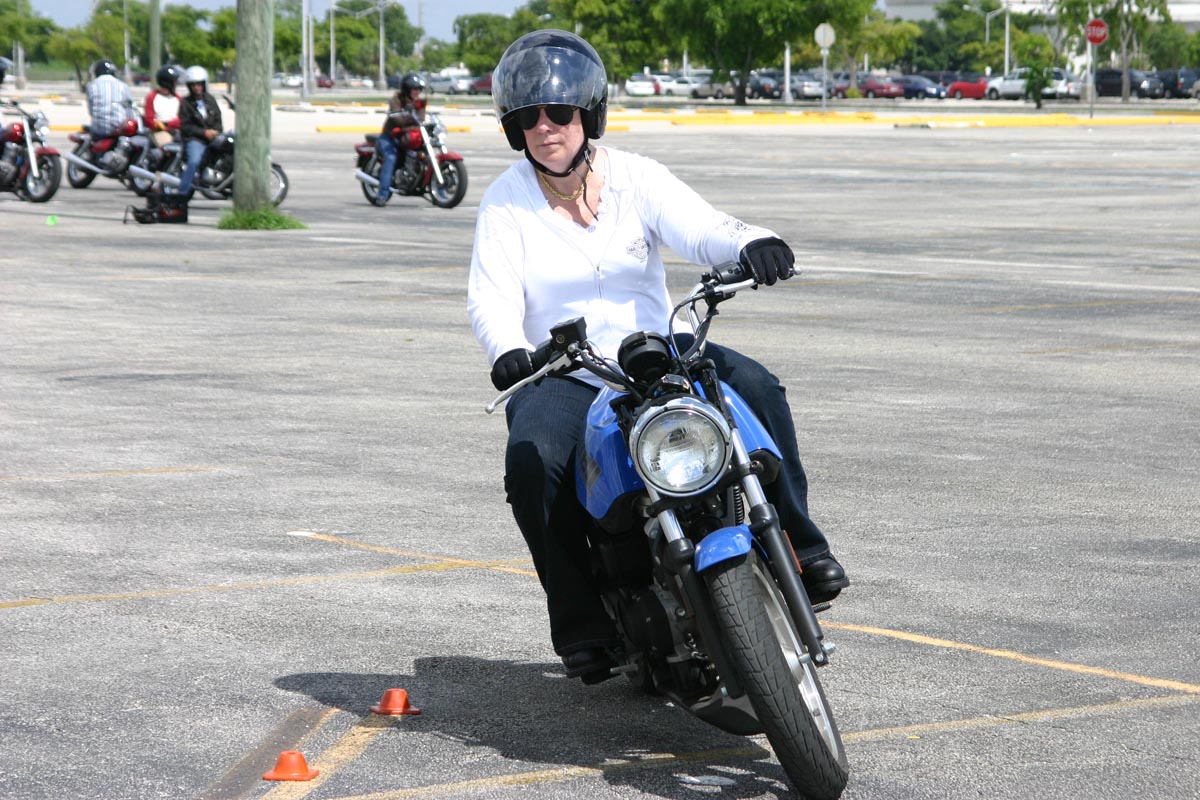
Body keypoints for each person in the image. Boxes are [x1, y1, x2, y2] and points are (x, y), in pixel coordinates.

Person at [467, 30, 849, 682]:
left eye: (558, 112)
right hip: (565, 370)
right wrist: (508, 350)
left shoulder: (635, 177)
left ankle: (802, 547)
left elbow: (702, 227)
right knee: (532, 459)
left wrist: (751, 243)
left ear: (588, 114)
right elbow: (491, 296)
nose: (544, 127)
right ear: (512, 127)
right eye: (528, 117)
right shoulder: (506, 201)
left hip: (657, 351)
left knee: (759, 388)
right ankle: (582, 623)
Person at [371, 72, 427, 207]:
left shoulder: (419, 103)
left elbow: (421, 119)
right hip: (390, 137)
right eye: (414, 89)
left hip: (406, 137)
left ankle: (438, 191)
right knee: (391, 158)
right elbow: (399, 120)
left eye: (419, 89)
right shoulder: (396, 100)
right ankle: (382, 195)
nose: (417, 92)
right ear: (406, 89)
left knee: (425, 154)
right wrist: (412, 121)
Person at [178, 65, 222, 197]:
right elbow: (185, 126)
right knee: (194, 161)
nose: (197, 87)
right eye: (193, 85)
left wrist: (216, 131)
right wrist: (204, 133)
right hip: (195, 139)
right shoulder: (185, 103)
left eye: (199, 84)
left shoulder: (210, 100)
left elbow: (218, 119)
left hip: (213, 137)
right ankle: (182, 193)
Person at [85, 58, 132, 138]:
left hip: (98, 129)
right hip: (119, 128)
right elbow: (129, 109)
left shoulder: (91, 86)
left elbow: (91, 111)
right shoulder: (123, 86)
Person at [144, 65, 183, 151]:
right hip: (159, 131)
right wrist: (164, 127)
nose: (176, 83)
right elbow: (149, 120)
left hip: (177, 131)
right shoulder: (152, 97)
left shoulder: (178, 98)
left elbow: (183, 117)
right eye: (174, 81)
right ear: (167, 82)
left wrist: (170, 125)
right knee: (169, 148)